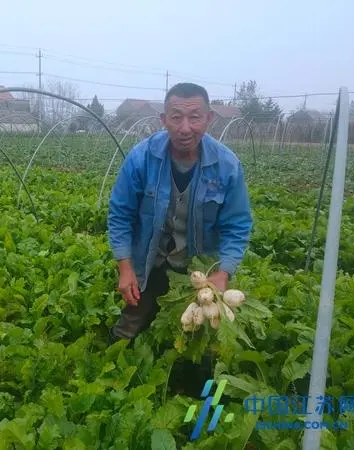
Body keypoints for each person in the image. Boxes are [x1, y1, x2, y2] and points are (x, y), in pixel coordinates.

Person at [107, 82, 253, 344]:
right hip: (149, 261)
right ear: (164, 120)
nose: (185, 128)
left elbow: (237, 225)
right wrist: (125, 267)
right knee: (128, 329)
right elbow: (120, 215)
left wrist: (224, 272)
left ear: (208, 119)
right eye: (176, 117)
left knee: (202, 335)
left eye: (195, 117)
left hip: (199, 268)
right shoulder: (141, 158)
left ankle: (190, 378)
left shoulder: (227, 166)